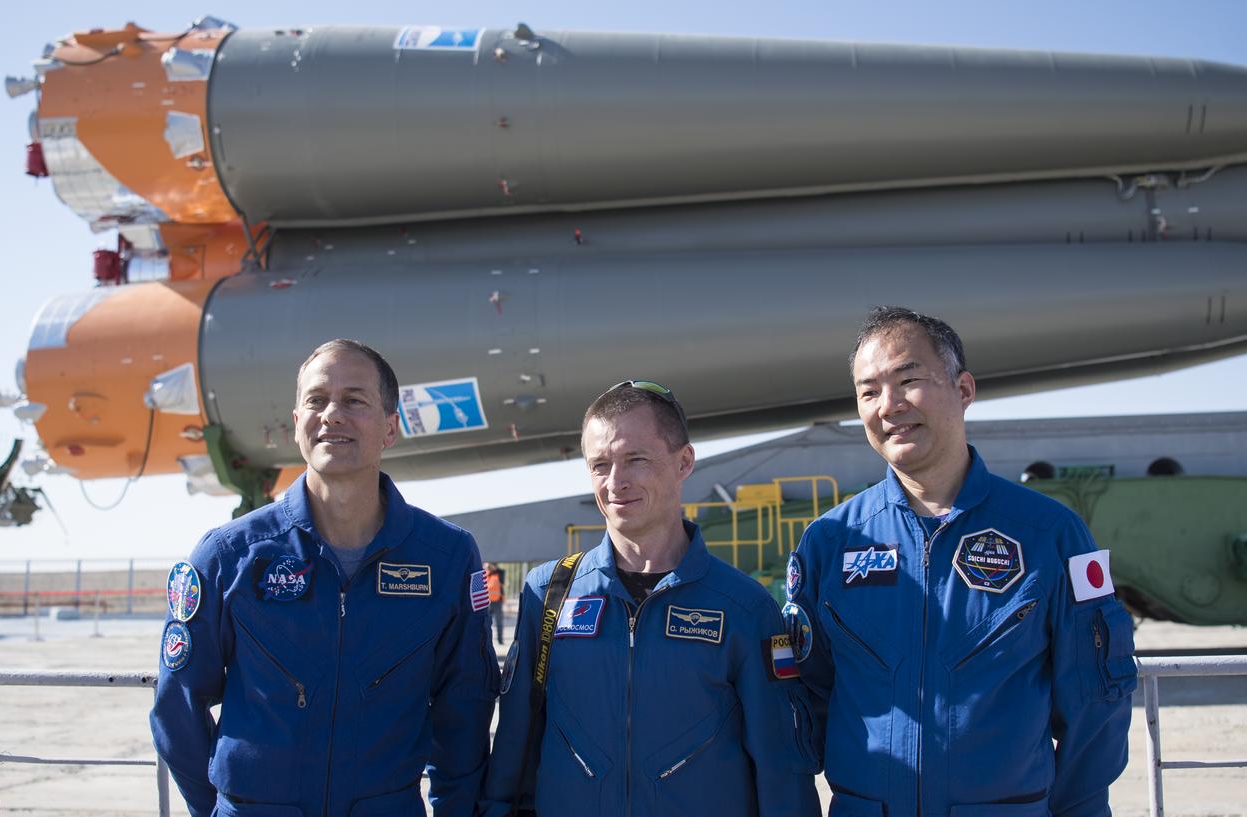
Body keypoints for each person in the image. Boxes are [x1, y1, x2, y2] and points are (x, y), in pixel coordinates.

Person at [785, 307, 1136, 817]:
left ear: (964, 389)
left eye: (909, 380)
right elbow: (801, 704)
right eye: (868, 391)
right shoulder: (829, 542)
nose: (889, 406)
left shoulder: (1050, 535)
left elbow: (1094, 704)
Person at [150, 339, 498, 817]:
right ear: (297, 425)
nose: (332, 414)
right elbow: (177, 706)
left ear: (391, 428)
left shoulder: (446, 557)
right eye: (316, 400)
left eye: (354, 400)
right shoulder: (229, 555)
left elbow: (465, 709)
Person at [481, 381, 820, 817]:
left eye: (635, 459)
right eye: (599, 465)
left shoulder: (743, 607)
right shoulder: (548, 594)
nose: (615, 482)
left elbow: (781, 769)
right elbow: (514, 747)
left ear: (684, 462)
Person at [486, 562, 505, 644]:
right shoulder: (486, 573)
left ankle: (500, 640)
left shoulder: (499, 573)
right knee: (486, 622)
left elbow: (502, 579)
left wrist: (494, 569)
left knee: (499, 622)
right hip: (488, 602)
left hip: (498, 602)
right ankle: (486, 640)